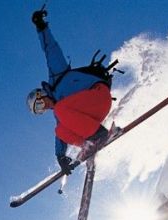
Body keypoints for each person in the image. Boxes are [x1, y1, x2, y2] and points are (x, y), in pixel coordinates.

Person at [27, 8, 117, 175]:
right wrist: (60, 157)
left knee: (61, 111)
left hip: (98, 96)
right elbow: (61, 137)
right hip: (90, 117)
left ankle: (98, 135)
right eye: (39, 111)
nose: (43, 108)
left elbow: (50, 50)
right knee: (60, 130)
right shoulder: (60, 111)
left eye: (39, 104)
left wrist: (41, 27)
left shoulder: (58, 76)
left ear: (41, 94)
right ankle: (89, 144)